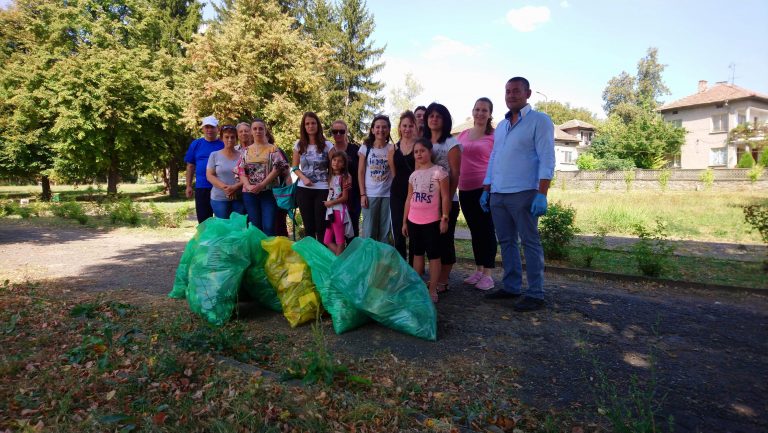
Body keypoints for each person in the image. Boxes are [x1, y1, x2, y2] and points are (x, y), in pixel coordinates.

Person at [483, 77, 555, 312]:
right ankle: (512, 286)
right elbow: (494, 157)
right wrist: (487, 188)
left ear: (528, 93)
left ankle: (536, 293)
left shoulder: (539, 121)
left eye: (516, 91)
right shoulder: (502, 126)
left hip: (524, 192)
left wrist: (541, 193)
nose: (511, 95)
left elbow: (547, 158)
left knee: (530, 241)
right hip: (499, 193)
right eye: (507, 91)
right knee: (506, 241)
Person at [402, 138, 450, 303]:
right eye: (416, 152)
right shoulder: (413, 176)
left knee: (434, 255)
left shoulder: (440, 172)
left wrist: (445, 218)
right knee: (417, 254)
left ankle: (432, 289)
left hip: (432, 222)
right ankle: (417, 287)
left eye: (422, 150)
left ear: (430, 152)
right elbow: (409, 198)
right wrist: (404, 222)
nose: (419, 154)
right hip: (413, 221)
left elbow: (445, 197)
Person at [457, 98, 498, 290]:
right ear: (472, 111)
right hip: (464, 189)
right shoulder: (463, 134)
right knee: (475, 231)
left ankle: (489, 274)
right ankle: (479, 270)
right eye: (477, 109)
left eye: (484, 110)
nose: (480, 113)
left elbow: (497, 164)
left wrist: (489, 188)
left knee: (487, 230)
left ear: (490, 114)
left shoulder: (494, 136)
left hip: (484, 190)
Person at [423, 103, 461, 294]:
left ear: (445, 120)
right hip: (425, 203)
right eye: (431, 115)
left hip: (447, 202)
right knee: (431, 242)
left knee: (445, 240)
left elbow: (455, 174)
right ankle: (433, 278)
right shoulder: (423, 142)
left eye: (438, 116)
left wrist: (445, 200)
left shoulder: (451, 143)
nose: (434, 118)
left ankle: (443, 281)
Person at [238, 118, 287, 235]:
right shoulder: (246, 151)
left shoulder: (273, 149)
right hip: (250, 194)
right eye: (255, 129)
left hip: (268, 193)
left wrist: (262, 185)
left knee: (269, 226)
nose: (258, 131)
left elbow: (279, 168)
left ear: (265, 131)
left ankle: (269, 252)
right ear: (251, 131)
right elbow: (240, 171)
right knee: (255, 227)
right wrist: (249, 186)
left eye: (261, 128)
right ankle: (259, 252)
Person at [292, 112, 334, 241]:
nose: (310, 126)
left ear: (318, 125)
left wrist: (332, 187)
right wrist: (303, 178)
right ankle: (310, 257)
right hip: (303, 190)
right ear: (304, 127)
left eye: (313, 123)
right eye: (307, 124)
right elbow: (294, 167)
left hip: (323, 189)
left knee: (321, 226)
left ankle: (321, 256)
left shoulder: (328, 145)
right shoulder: (299, 145)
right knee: (309, 227)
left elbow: (334, 168)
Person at [358, 114, 393, 242]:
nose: (381, 130)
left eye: (384, 127)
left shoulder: (392, 149)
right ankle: (369, 260)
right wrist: (362, 194)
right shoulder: (365, 148)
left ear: (389, 129)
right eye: (377, 127)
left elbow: (395, 172)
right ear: (372, 130)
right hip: (370, 195)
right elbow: (361, 172)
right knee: (369, 232)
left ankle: (381, 261)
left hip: (387, 195)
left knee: (384, 233)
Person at [388, 110, 417, 260]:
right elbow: (394, 173)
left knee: (414, 232)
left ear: (414, 127)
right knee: (399, 233)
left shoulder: (419, 146)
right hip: (398, 194)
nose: (407, 129)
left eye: (410, 126)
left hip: (415, 193)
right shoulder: (393, 149)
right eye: (404, 126)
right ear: (399, 127)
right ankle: (401, 268)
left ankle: (414, 268)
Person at [185, 115, 224, 223]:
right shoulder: (196, 144)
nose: (209, 130)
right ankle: (205, 240)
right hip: (202, 187)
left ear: (217, 128)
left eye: (212, 127)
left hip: (221, 188)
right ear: (202, 129)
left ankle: (220, 240)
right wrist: (188, 186)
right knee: (203, 221)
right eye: (206, 127)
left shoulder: (223, 144)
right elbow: (190, 166)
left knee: (222, 220)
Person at [329, 120, 361, 238]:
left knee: (353, 228)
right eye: (335, 131)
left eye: (341, 131)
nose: (338, 134)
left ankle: (353, 255)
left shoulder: (355, 149)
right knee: (336, 231)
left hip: (353, 196)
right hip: (335, 196)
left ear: (346, 132)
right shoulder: (330, 151)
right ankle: (339, 255)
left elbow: (361, 170)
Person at [206, 125, 244, 219]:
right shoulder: (214, 155)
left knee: (238, 228)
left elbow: (248, 175)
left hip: (239, 198)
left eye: (232, 137)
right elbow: (209, 175)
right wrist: (226, 188)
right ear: (222, 138)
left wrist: (235, 187)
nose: (230, 139)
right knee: (223, 228)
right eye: (227, 137)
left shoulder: (243, 155)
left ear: (236, 138)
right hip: (219, 198)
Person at [323, 152, 352, 255]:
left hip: (338, 211)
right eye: (334, 160)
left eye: (340, 161)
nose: (336, 163)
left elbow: (345, 197)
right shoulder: (330, 176)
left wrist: (331, 203)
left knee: (340, 241)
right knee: (327, 240)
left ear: (344, 164)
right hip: (330, 211)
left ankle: (340, 264)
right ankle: (343, 259)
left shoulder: (344, 177)